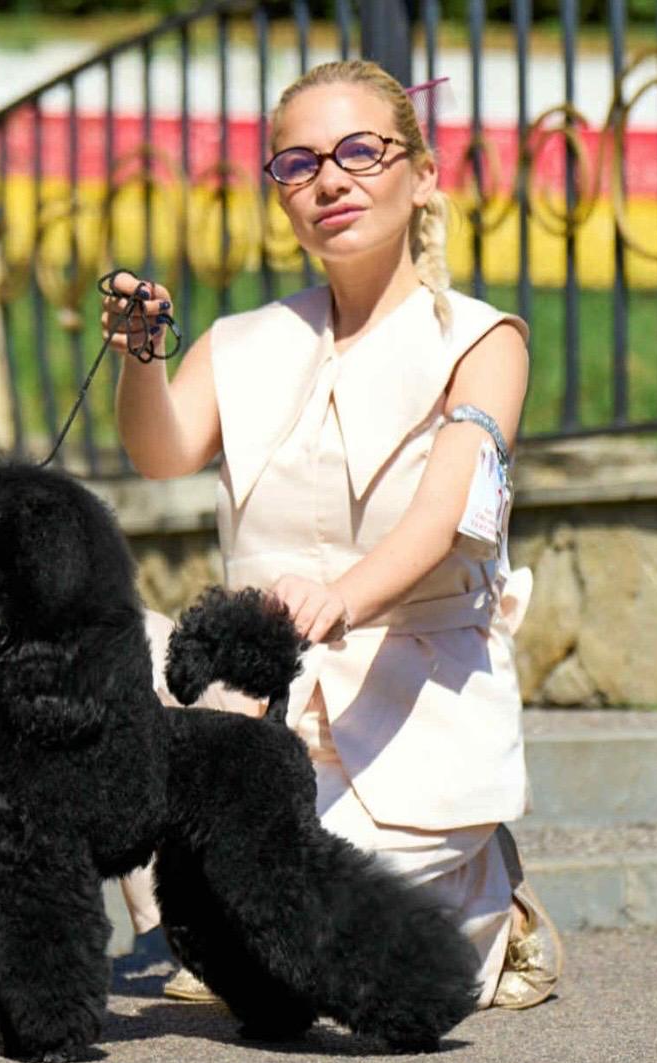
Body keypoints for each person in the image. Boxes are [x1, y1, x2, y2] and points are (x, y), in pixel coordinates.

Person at [102, 58, 562, 1011]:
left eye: (360, 151)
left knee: (322, 946)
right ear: (280, 191)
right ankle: (220, 924)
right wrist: (143, 356)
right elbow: (160, 450)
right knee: (99, 661)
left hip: (407, 698)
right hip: (253, 704)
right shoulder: (241, 340)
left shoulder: (484, 342)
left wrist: (337, 599)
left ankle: (498, 904)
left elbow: (444, 518)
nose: (329, 180)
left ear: (421, 173)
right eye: (299, 162)